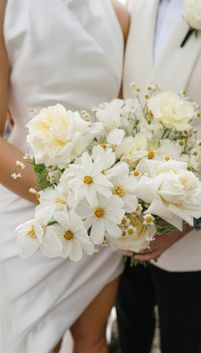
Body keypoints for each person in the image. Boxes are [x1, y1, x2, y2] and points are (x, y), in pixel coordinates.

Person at [0, 1, 129, 352]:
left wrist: (100, 198)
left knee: (92, 339)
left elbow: (122, 120)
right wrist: (70, 198)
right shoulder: (7, 8)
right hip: (29, 209)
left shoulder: (119, 16)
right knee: (39, 343)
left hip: (101, 209)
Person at [116, 0, 201, 353]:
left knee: (182, 339)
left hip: (197, 234)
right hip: (123, 223)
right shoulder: (132, 8)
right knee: (128, 330)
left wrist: (194, 215)